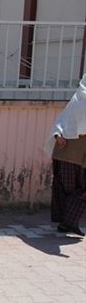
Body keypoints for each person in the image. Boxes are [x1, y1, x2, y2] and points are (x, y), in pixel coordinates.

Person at [44, 73, 86, 237]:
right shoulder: (78, 100)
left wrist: (58, 135)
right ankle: (68, 222)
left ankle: (66, 222)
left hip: (67, 153)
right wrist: (58, 135)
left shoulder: (76, 100)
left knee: (67, 188)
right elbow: (61, 123)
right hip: (71, 153)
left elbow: (60, 123)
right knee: (74, 189)